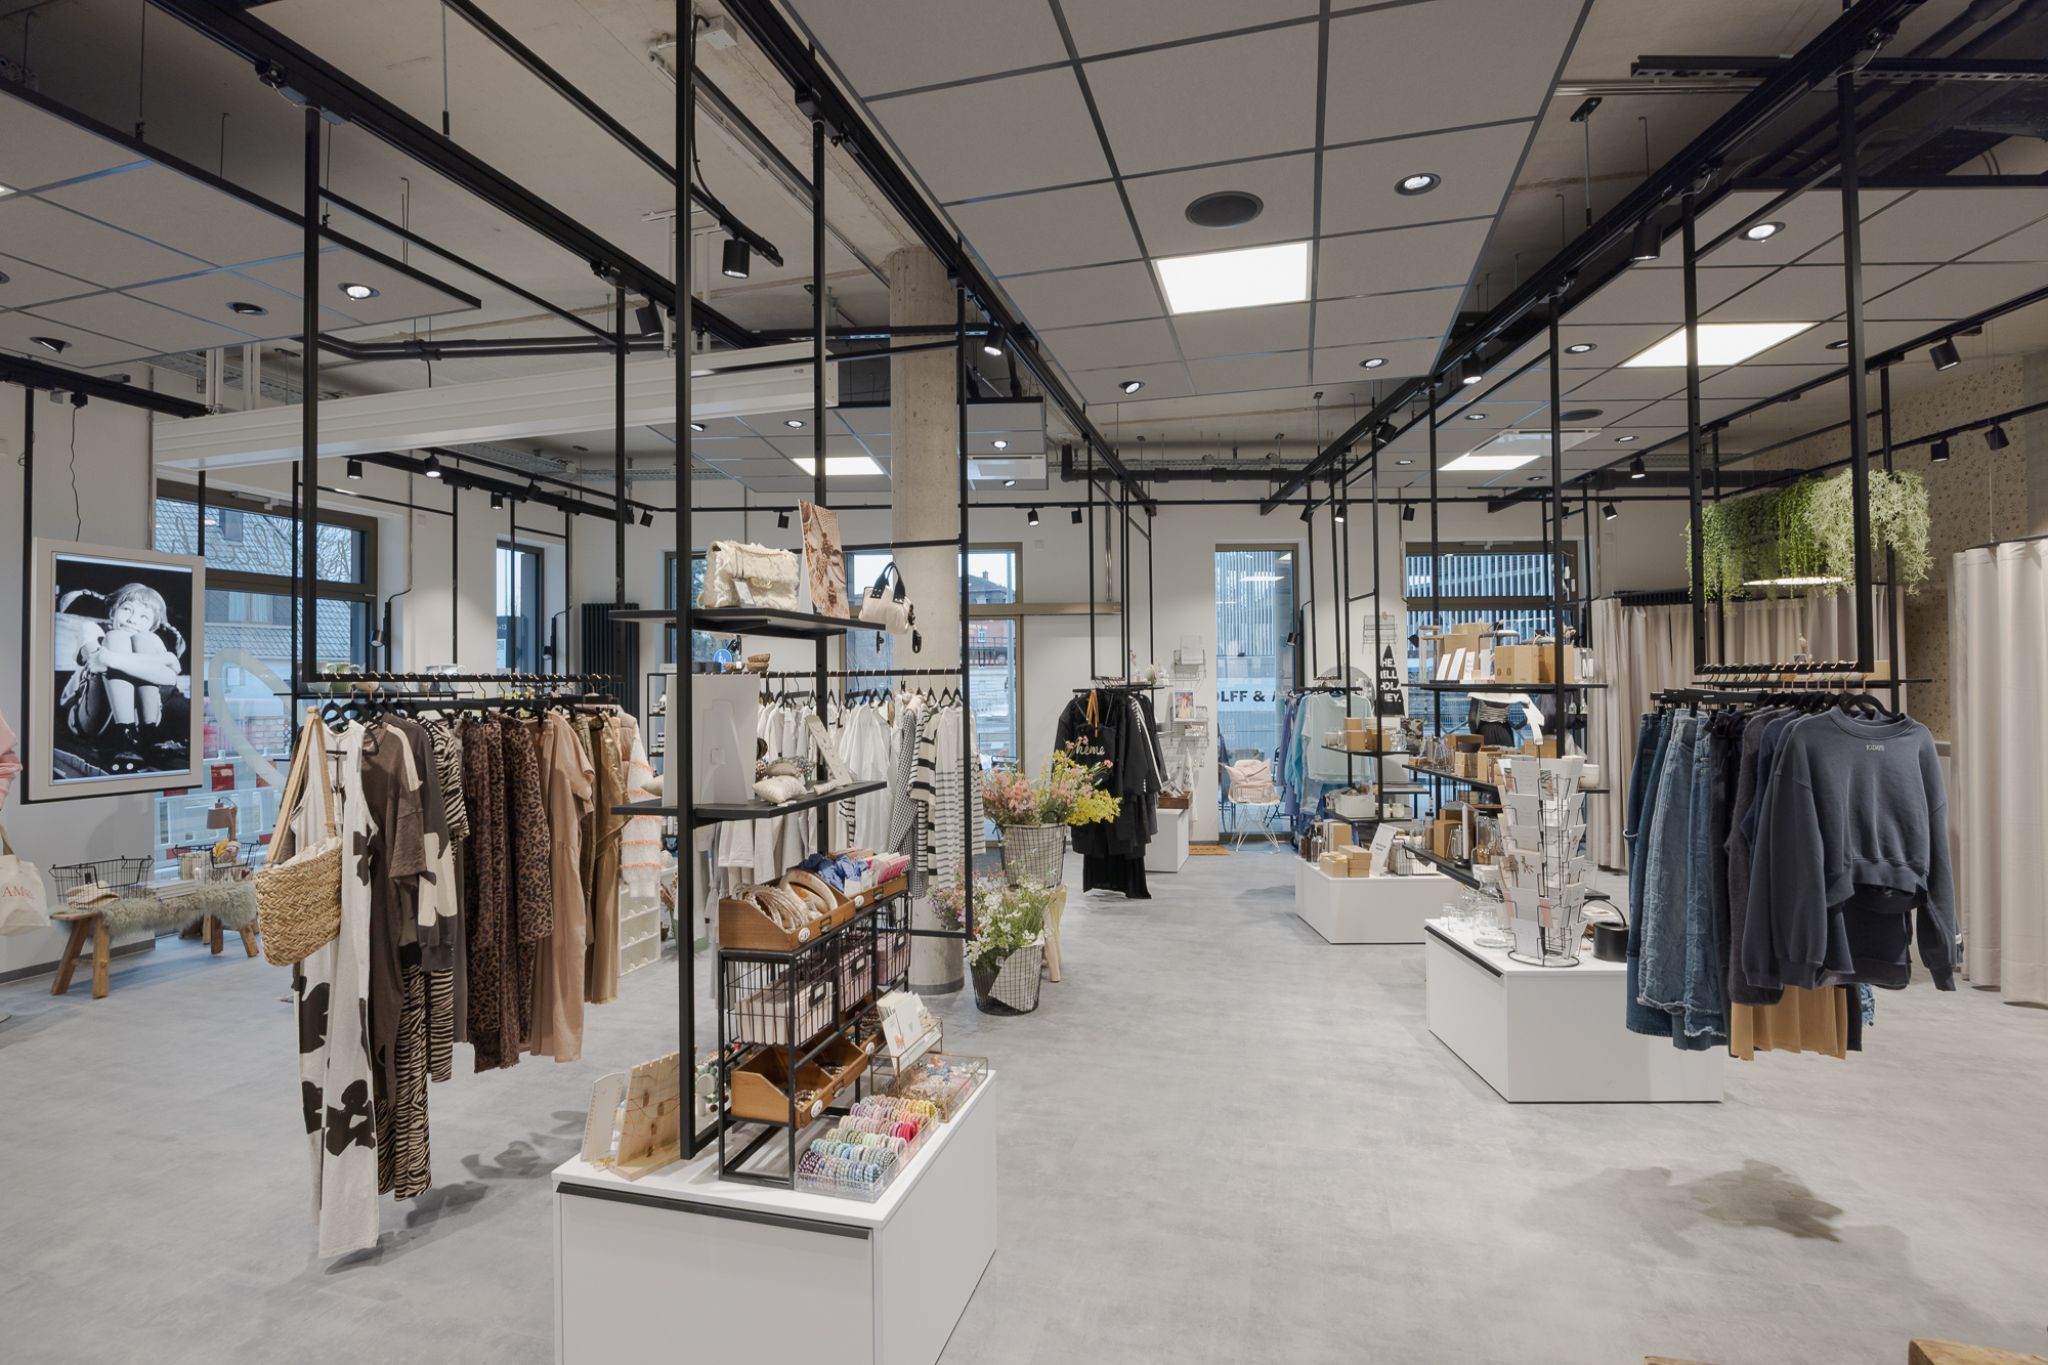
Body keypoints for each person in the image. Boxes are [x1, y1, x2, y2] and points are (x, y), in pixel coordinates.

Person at [57, 584, 188, 773]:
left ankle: (146, 734)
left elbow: (170, 678)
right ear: (114, 611)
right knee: (116, 638)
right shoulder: (93, 629)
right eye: (127, 609)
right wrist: (166, 660)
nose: (132, 619)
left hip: (141, 722)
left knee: (144, 640)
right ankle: (124, 735)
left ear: (152, 626)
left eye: (144, 617)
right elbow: (95, 660)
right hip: (93, 718)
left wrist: (110, 659)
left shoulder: (152, 640)